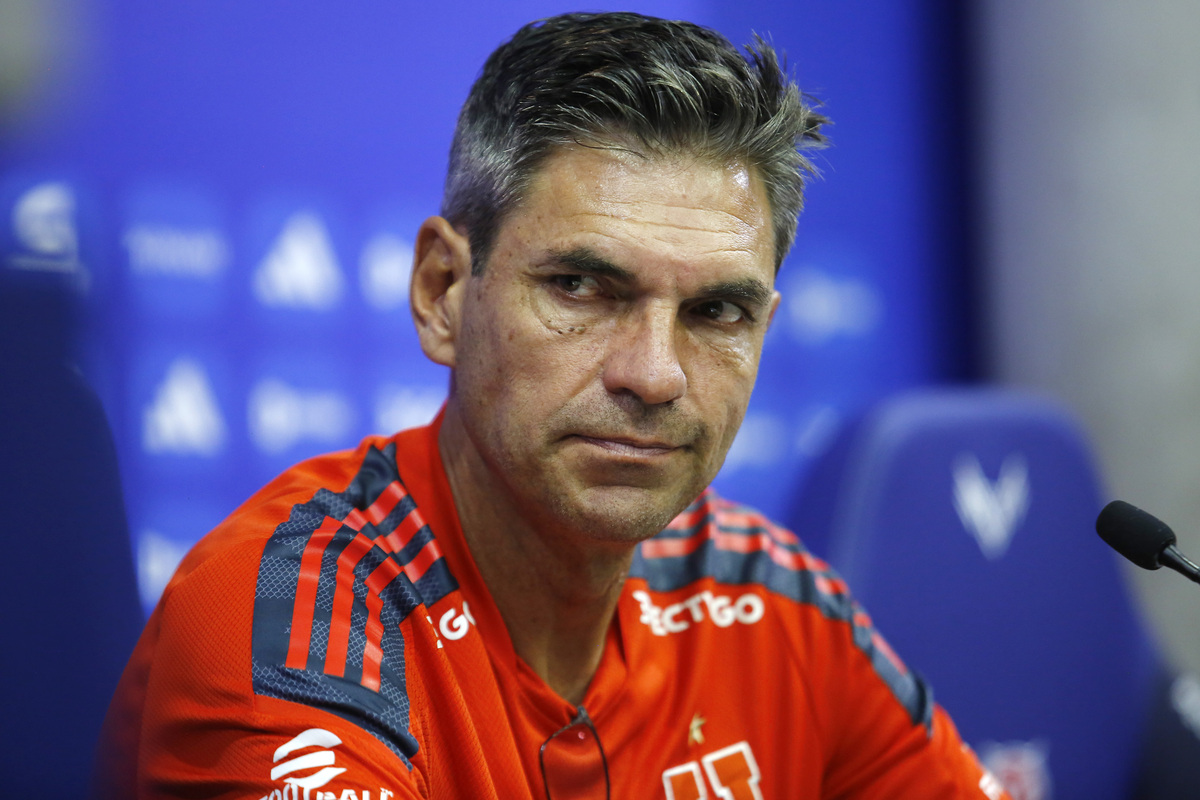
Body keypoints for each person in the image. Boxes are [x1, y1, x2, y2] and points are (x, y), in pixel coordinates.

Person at [95, 12, 1010, 799]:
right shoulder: (286, 624)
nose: (655, 375)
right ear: (444, 290)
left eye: (716, 311)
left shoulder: (767, 600)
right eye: (580, 287)